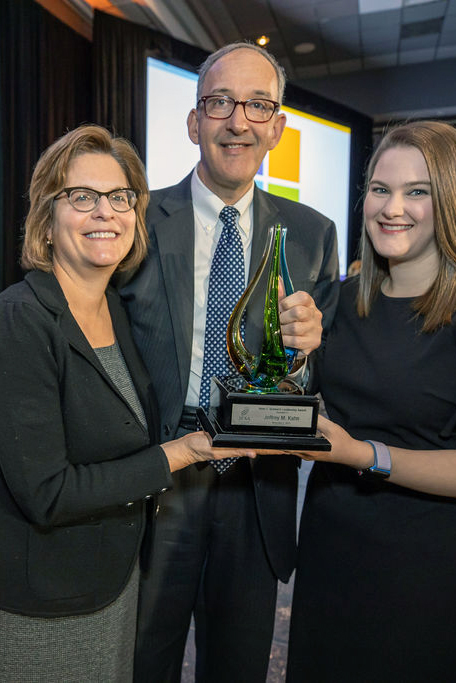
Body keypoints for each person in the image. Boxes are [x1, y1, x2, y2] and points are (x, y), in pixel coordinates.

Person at [0, 124, 258, 683]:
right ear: (46, 218)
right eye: (81, 197)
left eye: (119, 198)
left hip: (115, 586)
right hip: (47, 605)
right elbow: (47, 492)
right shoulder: (20, 320)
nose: (105, 212)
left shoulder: (114, 307)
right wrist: (180, 454)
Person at [121, 42, 340, 683]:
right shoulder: (138, 222)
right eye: (219, 102)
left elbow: (315, 381)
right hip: (159, 478)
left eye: (257, 105)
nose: (237, 120)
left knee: (239, 666)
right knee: (143, 662)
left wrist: (311, 348)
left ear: (276, 127)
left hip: (256, 483)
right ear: (194, 122)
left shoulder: (312, 233)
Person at [286, 120, 456, 683]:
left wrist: (364, 455)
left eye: (417, 192)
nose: (392, 207)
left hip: (422, 571)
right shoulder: (336, 302)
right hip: (330, 554)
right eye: (380, 189)